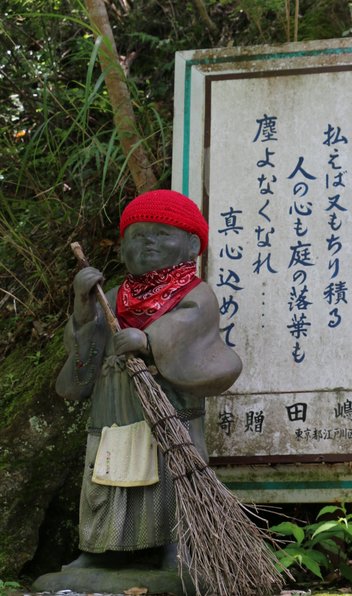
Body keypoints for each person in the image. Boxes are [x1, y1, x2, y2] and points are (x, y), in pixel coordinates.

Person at [56, 189, 242, 570]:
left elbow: (192, 327)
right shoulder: (113, 295)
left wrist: (150, 340)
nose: (149, 244)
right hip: (114, 404)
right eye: (139, 236)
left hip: (169, 406)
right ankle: (98, 548)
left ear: (192, 245)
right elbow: (85, 344)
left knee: (171, 474)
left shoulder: (194, 294)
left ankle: (177, 548)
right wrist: (82, 304)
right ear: (123, 248)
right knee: (106, 468)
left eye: (162, 234)